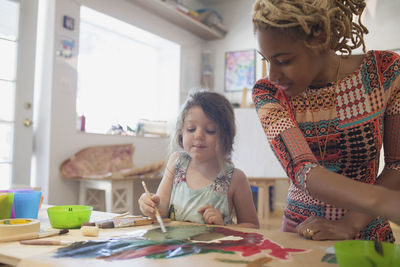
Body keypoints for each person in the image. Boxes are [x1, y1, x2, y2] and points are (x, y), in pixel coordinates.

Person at [251, 0, 400, 241]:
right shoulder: (268, 93)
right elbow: (302, 169)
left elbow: (397, 165)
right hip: (301, 235)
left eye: (284, 61)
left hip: (368, 235)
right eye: (266, 60)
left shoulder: (385, 73)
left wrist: (351, 222)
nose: (272, 75)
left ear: (319, 39)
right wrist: (383, 201)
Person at [139, 90, 260, 229]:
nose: (198, 135)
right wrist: (149, 205)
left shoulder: (235, 179)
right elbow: (161, 209)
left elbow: (253, 226)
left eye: (210, 130)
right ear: (181, 132)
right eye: (191, 129)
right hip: (176, 248)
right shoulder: (176, 162)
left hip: (215, 249)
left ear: (225, 137)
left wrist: (224, 227)